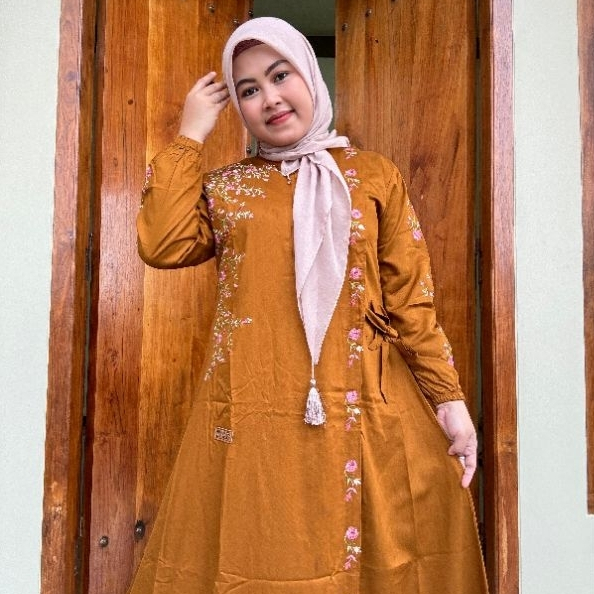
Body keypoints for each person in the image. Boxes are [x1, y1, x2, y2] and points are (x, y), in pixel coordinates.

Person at [129, 16, 489, 594]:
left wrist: (449, 402)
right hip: (255, 416)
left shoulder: (374, 176)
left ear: (309, 75)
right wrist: (190, 135)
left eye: (280, 76)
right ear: (238, 108)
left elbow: (411, 303)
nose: (270, 98)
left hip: (363, 409)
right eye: (248, 89)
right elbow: (163, 243)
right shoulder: (227, 189)